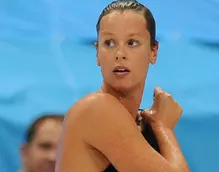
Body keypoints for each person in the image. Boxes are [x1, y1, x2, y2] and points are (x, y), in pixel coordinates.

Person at [55, 0, 190, 172]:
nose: (120, 54)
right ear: (97, 53)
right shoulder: (96, 109)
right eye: (109, 43)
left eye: (132, 43)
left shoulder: (143, 124)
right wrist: (165, 128)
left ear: (153, 52)